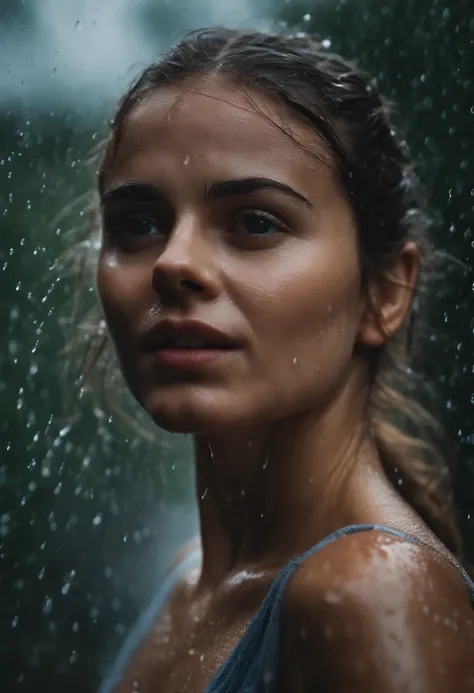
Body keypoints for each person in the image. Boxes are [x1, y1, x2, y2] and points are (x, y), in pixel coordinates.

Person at [71, 27, 474, 692]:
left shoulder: (370, 596)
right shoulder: (186, 582)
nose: (174, 262)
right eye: (139, 223)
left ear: (386, 291)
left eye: (256, 222)